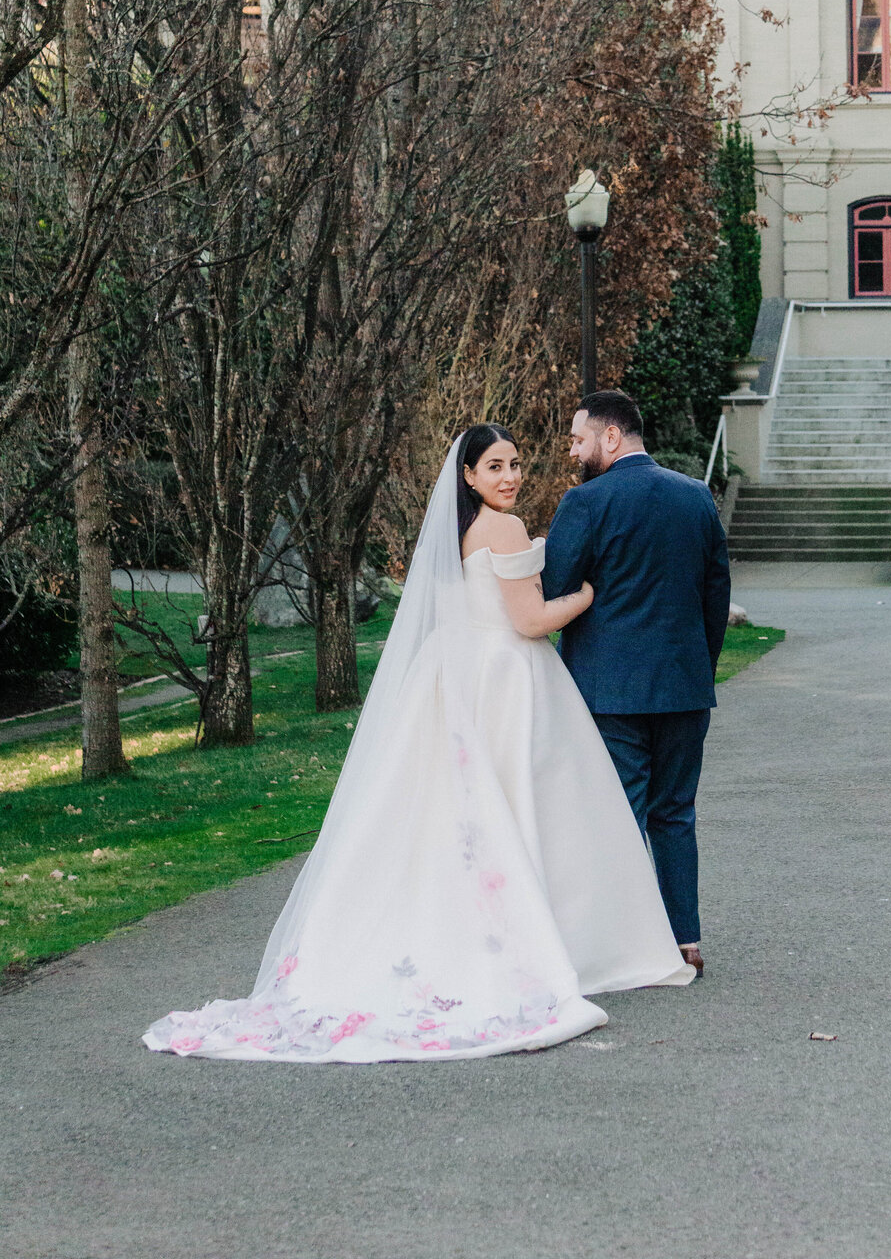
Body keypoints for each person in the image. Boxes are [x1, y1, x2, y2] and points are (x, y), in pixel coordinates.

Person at [143, 425, 692, 1065]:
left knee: (457, 817)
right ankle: (563, 940)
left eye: (515, 464)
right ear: (468, 476)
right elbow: (531, 620)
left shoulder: (456, 534)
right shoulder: (503, 529)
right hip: (508, 675)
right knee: (532, 805)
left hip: (458, 672)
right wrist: (588, 595)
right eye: (495, 467)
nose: (510, 477)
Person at [542, 391, 731, 977]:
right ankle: (684, 943)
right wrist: (699, 665)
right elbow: (715, 597)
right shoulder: (696, 497)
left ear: (612, 437)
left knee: (618, 815)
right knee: (675, 813)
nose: (573, 451)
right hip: (683, 686)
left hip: (610, 690)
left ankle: (625, 944)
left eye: (578, 439)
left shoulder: (585, 501)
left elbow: (555, 589)